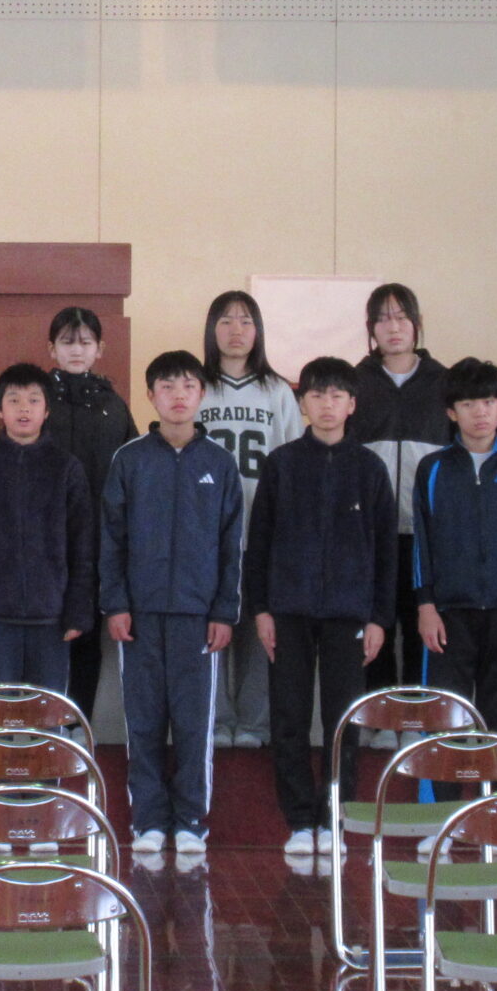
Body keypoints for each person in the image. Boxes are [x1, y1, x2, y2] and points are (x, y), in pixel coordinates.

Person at [243, 357, 395, 856]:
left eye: (336, 395)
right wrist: (261, 609)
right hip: (287, 611)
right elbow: (259, 542)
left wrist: (379, 618)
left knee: (342, 721)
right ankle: (298, 820)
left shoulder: (370, 468)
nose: (326, 405)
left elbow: (386, 552)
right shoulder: (282, 464)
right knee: (288, 718)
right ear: (302, 403)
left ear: (352, 404)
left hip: (349, 615)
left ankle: (334, 817)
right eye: (316, 395)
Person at [101, 350, 243, 857]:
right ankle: (148, 821)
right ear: (150, 395)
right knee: (142, 722)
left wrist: (224, 611)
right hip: (139, 616)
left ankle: (190, 822)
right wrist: (115, 603)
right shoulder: (130, 459)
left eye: (187, 386)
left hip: (197, 618)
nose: (178, 395)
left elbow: (231, 545)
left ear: (202, 394)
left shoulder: (220, 463)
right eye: (167, 386)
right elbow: (111, 538)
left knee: (192, 724)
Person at [411, 359, 497, 755]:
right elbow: (421, 543)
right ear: (452, 412)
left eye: (488, 402)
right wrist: (425, 605)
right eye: (468, 404)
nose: (479, 412)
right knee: (443, 721)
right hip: (447, 614)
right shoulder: (432, 469)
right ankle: (441, 796)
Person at [0, 362, 95, 693]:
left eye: (34, 400)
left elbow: (82, 546)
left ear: (47, 410)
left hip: (52, 618)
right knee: (0, 713)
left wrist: (78, 610)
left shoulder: (67, 469)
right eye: (13, 400)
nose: (24, 408)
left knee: (48, 712)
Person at [197, 290, 302, 750]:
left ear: (258, 330)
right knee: (211, 628)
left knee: (261, 631)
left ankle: (255, 724)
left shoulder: (277, 390)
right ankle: (217, 718)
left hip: (263, 530)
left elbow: (295, 461)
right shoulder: (197, 385)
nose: (235, 330)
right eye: (225, 320)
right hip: (207, 532)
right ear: (211, 329)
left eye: (245, 320)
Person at [352, 283, 448, 704]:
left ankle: (415, 711)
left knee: (420, 624)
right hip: (369, 528)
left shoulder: (443, 382)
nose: (393, 327)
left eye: (401, 317)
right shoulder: (355, 383)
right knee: (374, 622)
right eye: (382, 319)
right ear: (371, 328)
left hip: (426, 529)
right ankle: (380, 713)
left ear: (417, 324)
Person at [42, 306, 134, 723]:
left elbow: (130, 477)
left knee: (85, 636)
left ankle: (76, 723)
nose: (76, 350)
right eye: (66, 342)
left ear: (100, 349)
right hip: (42, 543)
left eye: (85, 342)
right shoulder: (35, 400)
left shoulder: (114, 406)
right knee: (44, 635)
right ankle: (40, 723)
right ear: (52, 348)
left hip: (96, 543)